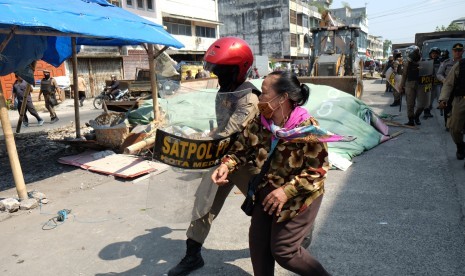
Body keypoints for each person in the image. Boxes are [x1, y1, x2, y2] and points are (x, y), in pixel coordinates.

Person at [212, 71, 335, 276]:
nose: (259, 98)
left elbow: (318, 171)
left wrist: (286, 192)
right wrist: (227, 164)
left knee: (284, 250)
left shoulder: (307, 129)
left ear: (282, 98)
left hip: (300, 195)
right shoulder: (262, 121)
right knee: (258, 245)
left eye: (265, 93)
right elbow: (241, 147)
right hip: (268, 189)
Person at [168, 37, 260, 276]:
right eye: (215, 69)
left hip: (245, 160)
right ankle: (192, 255)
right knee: (203, 204)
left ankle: (291, 239)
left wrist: (194, 143)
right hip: (222, 158)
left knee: (263, 208)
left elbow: (229, 133)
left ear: (238, 69)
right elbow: (220, 130)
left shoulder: (248, 99)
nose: (217, 75)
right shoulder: (225, 90)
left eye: (221, 70)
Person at [438, 47, 465, 163]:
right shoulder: (461, 65)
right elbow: (449, 83)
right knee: (454, 128)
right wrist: (443, 99)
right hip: (461, 100)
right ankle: (460, 146)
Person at [437, 43, 464, 130]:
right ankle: (448, 124)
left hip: (460, 89)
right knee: (447, 107)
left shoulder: (463, 63)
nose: (457, 53)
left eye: (459, 51)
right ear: (452, 51)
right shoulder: (446, 62)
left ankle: (461, 126)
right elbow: (439, 74)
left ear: (463, 52)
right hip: (448, 89)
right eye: (456, 51)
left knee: (460, 108)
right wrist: (444, 80)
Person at [400, 45, 425, 126]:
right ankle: (411, 120)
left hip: (421, 85)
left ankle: (416, 116)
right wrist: (401, 86)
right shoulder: (407, 63)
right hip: (409, 84)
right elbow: (404, 75)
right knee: (410, 103)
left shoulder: (423, 62)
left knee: (422, 104)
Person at [423, 47, 442, 119]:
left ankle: (429, 110)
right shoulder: (427, 61)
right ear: (430, 54)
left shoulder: (441, 62)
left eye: (435, 53)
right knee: (427, 97)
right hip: (428, 82)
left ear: (438, 54)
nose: (434, 55)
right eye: (433, 53)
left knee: (436, 98)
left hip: (437, 83)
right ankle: (426, 112)